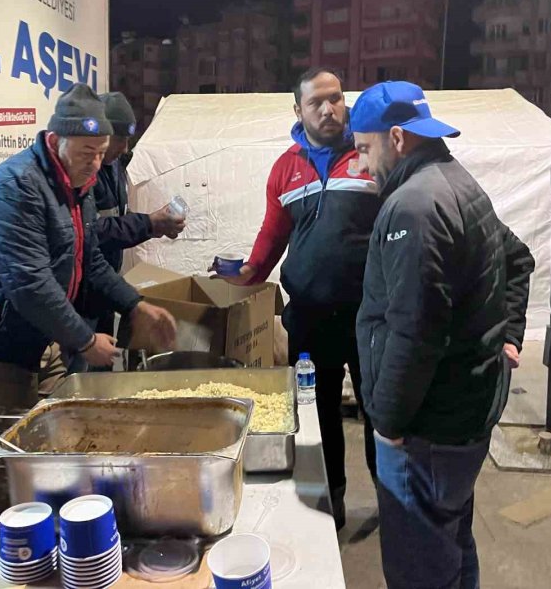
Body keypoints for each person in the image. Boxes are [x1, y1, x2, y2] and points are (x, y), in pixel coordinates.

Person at [0, 83, 176, 540]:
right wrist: (85, 341)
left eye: (102, 153)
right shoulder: (16, 188)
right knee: (16, 453)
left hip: (39, 335)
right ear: (55, 141)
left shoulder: (79, 185)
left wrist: (136, 304)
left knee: (66, 437)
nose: (95, 163)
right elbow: (29, 284)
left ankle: (57, 537)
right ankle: (4, 555)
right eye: (86, 151)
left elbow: (88, 262)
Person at [351, 81, 534, 589]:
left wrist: (387, 420)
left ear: (397, 138)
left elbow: (415, 332)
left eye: (365, 149)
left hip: (427, 427)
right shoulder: (457, 182)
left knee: (418, 565)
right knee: (450, 541)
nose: (363, 166)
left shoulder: (414, 206)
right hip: (465, 414)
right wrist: (509, 334)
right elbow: (519, 258)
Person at [215, 67, 381, 529]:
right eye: (317, 102)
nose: (330, 109)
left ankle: (393, 500)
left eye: (337, 99)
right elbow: (272, 238)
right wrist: (243, 274)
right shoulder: (286, 169)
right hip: (310, 317)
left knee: (379, 410)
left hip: (370, 317)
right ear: (298, 111)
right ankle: (334, 499)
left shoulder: (369, 155)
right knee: (319, 411)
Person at [89, 92, 186, 335]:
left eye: (127, 139)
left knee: (103, 367)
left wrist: (156, 223)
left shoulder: (113, 167)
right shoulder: (83, 173)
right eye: (119, 138)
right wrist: (148, 224)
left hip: (103, 291)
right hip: (82, 299)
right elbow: (92, 232)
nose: (125, 148)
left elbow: (116, 217)